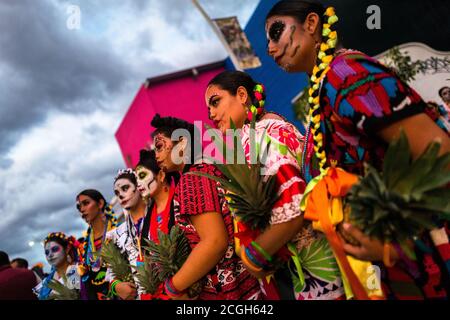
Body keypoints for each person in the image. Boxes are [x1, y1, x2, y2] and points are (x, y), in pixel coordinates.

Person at [265, 0, 450, 299]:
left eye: (276, 32)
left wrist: (394, 241)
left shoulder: (345, 73)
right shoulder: (326, 84)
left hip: (429, 250)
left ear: (311, 24)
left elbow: (437, 152)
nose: (271, 49)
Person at [205, 70, 345, 300]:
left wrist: (254, 255)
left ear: (241, 95)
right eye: (208, 107)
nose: (210, 113)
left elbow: (295, 204)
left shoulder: (261, 135)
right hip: (314, 262)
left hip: (317, 266)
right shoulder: (269, 127)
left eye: (215, 101)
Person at [151, 114, 262, 300]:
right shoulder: (207, 169)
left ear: (183, 143)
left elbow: (214, 242)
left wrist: (172, 287)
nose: (156, 155)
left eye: (160, 146)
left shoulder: (191, 179)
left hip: (229, 292)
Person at [106, 166, 172, 300]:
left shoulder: (163, 217)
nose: (120, 195)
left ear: (139, 186)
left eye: (125, 188)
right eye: (116, 192)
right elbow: (111, 274)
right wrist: (116, 286)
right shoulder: (116, 234)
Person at [76, 189, 119, 300]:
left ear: (100, 203)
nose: (82, 209)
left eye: (86, 203)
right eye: (79, 206)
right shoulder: (84, 247)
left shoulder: (119, 231)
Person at [33, 233, 80, 300]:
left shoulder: (77, 271)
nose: (50, 255)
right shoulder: (47, 280)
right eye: (47, 252)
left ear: (67, 249)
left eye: (55, 249)